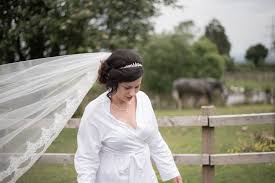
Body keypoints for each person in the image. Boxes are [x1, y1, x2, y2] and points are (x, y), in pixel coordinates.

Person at [74, 49, 183, 183]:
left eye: (137, 86)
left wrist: (171, 171)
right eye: (127, 87)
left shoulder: (143, 100)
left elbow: (155, 140)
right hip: (112, 178)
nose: (132, 93)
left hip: (145, 176)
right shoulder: (95, 111)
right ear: (113, 83)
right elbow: (87, 157)